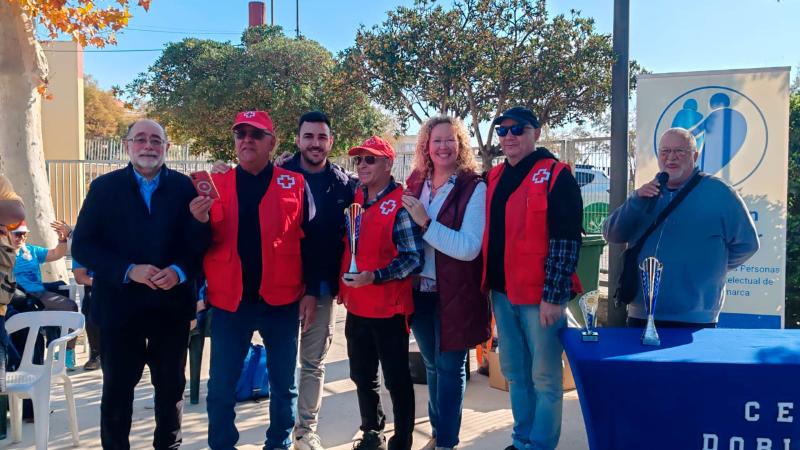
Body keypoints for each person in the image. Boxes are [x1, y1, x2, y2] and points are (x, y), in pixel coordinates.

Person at [71, 118, 210, 449]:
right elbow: (83, 246)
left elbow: (200, 244)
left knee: (170, 391)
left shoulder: (185, 188)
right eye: (141, 139)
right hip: (119, 309)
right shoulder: (104, 189)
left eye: (156, 141)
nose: (148, 146)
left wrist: (178, 270)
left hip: (170, 308)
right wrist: (128, 270)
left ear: (167, 147)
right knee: (117, 392)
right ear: (127, 145)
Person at [202, 110, 316, 450]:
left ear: (272, 143)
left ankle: (277, 444)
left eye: (256, 134)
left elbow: (312, 241)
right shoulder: (215, 183)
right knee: (221, 387)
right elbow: (194, 238)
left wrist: (310, 291)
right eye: (241, 134)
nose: (247, 140)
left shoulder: (294, 183)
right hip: (229, 302)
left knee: (284, 386)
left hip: (280, 302)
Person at [482, 106, 583, 450]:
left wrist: (554, 297)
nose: (509, 137)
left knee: (545, 377)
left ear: (536, 133)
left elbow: (567, 240)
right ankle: (522, 439)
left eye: (518, 129)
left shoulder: (556, 175)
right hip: (501, 293)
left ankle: (540, 444)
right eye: (502, 131)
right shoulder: (494, 177)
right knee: (515, 373)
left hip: (539, 298)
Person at [603, 127, 759, 327]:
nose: (671, 158)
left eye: (679, 151)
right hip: (641, 313)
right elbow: (612, 234)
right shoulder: (646, 194)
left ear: (694, 155)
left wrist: (708, 270)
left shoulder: (720, 193)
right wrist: (636, 200)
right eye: (665, 151)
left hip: (695, 317)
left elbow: (747, 244)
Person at [401, 116, 489, 450]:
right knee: (432, 366)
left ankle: (446, 442)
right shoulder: (416, 180)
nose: (443, 147)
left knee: (451, 369)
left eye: (450, 140)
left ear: (460, 144)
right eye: (436, 140)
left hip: (456, 294)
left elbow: (469, 249)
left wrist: (425, 223)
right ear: (426, 145)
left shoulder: (473, 187)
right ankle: (439, 428)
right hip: (419, 293)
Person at [339, 136, 423, 450]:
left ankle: (402, 440)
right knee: (361, 375)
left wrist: (374, 276)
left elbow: (413, 258)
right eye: (358, 160)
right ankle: (371, 430)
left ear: (388, 164)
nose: (362, 165)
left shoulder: (401, 204)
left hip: (389, 309)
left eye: (370, 159)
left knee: (397, 380)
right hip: (356, 305)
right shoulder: (356, 197)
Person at [283, 111, 356, 450]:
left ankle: (305, 430)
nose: (315, 143)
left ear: (330, 141)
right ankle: (280, 428)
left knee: (312, 363)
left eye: (321, 137)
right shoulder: (278, 176)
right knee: (281, 362)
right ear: (297, 140)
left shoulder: (342, 183)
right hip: (281, 287)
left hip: (324, 291)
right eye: (308, 136)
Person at [8, 219, 79, 369]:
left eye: (24, 235)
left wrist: (62, 240)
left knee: (71, 308)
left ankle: (66, 351)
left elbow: (55, 254)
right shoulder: (3, 254)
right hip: (14, 298)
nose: (21, 238)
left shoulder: (31, 250)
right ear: (6, 234)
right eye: (17, 234)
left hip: (37, 294)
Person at [72, 259, 100, 370]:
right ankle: (96, 353)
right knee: (91, 303)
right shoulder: (84, 245)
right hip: (95, 284)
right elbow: (80, 277)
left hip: (124, 282)